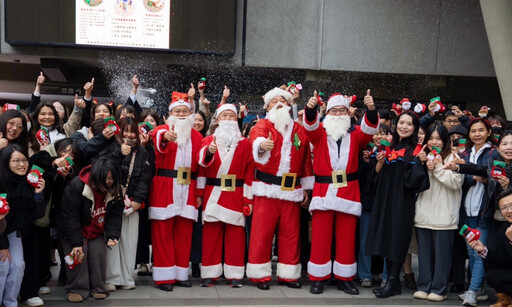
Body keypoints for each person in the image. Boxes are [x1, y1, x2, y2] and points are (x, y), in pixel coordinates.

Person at [303, 90, 379, 294]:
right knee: (320, 237)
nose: (337, 114)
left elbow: (370, 130)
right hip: (324, 191)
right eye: (333, 111)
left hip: (348, 191)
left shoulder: (355, 134)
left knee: (346, 237)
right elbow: (309, 125)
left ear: (348, 112)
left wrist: (370, 110)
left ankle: (345, 278)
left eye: (341, 110)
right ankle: (319, 277)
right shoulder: (319, 133)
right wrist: (310, 109)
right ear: (327, 113)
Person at [246, 87, 313, 290]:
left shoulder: (299, 130)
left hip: (291, 192)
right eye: (274, 101)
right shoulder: (263, 126)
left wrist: (306, 188)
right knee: (262, 234)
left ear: (290, 105)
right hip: (266, 189)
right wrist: (261, 146)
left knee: (291, 234)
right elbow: (256, 141)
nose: (279, 104)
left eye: (283, 101)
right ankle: (260, 276)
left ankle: (289, 275)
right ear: (267, 106)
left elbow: (306, 163)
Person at [366, 111, 430, 298]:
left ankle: (393, 281)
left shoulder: (416, 150)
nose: (404, 127)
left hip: (402, 201)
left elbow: (418, 182)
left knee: (397, 240)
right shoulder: (389, 146)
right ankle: (391, 282)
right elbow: (375, 178)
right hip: (384, 200)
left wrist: (419, 162)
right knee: (386, 238)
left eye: (409, 124)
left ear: (415, 128)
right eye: (401, 122)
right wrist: (379, 163)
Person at [149, 92, 203, 291]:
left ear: (190, 113)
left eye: (185, 111)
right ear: (170, 113)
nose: (181, 114)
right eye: (177, 111)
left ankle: (180, 274)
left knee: (184, 234)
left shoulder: (197, 136)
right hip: (165, 186)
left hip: (188, 187)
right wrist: (165, 137)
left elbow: (202, 166)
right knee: (162, 233)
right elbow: (156, 138)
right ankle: (164, 277)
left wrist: (199, 193)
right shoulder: (162, 130)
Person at [196, 103, 254, 287]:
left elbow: (249, 175)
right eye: (224, 116)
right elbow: (201, 169)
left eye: (231, 116)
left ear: (236, 119)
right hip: (213, 192)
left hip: (236, 194)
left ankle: (235, 274)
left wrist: (248, 199)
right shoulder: (208, 141)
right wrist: (208, 154)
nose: (228, 119)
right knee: (211, 235)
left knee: (236, 236)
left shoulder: (245, 143)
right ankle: (209, 273)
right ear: (218, 119)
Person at [58, 157, 123, 303]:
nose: (109, 182)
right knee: (79, 255)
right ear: (96, 176)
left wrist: (113, 235)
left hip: (96, 231)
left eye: (112, 178)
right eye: (106, 178)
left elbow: (115, 215)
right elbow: (69, 217)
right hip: (73, 230)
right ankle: (77, 289)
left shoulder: (115, 189)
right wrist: (75, 243)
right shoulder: (77, 186)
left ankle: (98, 288)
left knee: (98, 254)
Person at [99, 117, 152, 291]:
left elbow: (145, 178)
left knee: (130, 241)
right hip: (112, 199)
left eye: (132, 131)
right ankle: (112, 278)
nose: (129, 135)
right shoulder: (111, 146)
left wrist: (138, 201)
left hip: (132, 202)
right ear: (119, 131)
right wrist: (119, 153)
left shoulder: (142, 152)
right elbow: (103, 169)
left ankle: (127, 276)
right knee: (113, 238)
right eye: (126, 131)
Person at [413, 124, 463, 302]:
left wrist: (439, 168)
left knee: (442, 257)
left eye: (438, 138)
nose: (434, 142)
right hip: (423, 214)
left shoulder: (454, 157)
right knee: (425, 256)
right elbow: (413, 182)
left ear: (446, 140)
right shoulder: (422, 157)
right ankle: (424, 286)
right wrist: (421, 164)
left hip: (444, 216)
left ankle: (439, 289)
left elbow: (456, 183)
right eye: (431, 138)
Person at [452, 118, 498, 306]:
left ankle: (472, 291)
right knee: (471, 251)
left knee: (479, 251)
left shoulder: (493, 153)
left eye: (481, 130)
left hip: (483, 210)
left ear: (488, 132)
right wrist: (473, 177)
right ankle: (477, 288)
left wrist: (468, 171)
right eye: (473, 131)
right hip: (465, 210)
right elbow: (457, 178)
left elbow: (488, 173)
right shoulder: (465, 152)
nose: (477, 134)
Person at [0, 144, 46, 307]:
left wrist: (39, 195)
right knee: (3, 265)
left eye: (24, 160)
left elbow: (36, 215)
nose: (22, 164)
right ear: (6, 162)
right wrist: (2, 245)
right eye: (16, 161)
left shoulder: (28, 183)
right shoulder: (1, 184)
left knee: (18, 264)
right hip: (2, 234)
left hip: (14, 232)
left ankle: (10, 301)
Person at [467, 188, 512, 307]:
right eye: (504, 208)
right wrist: (483, 250)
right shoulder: (504, 229)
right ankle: (507, 299)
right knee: (492, 274)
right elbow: (505, 259)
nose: (509, 211)